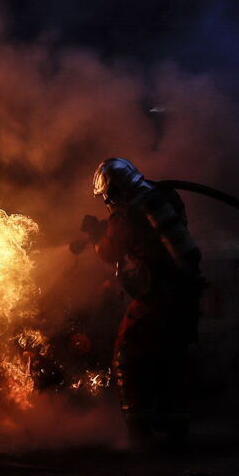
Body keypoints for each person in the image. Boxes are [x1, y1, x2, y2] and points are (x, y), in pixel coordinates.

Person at [81, 158, 202, 446]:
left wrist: (96, 234)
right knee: (171, 357)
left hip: (156, 297)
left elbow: (109, 253)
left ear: (112, 193)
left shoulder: (125, 216)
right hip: (185, 293)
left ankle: (140, 432)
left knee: (129, 354)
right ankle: (176, 430)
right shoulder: (164, 197)